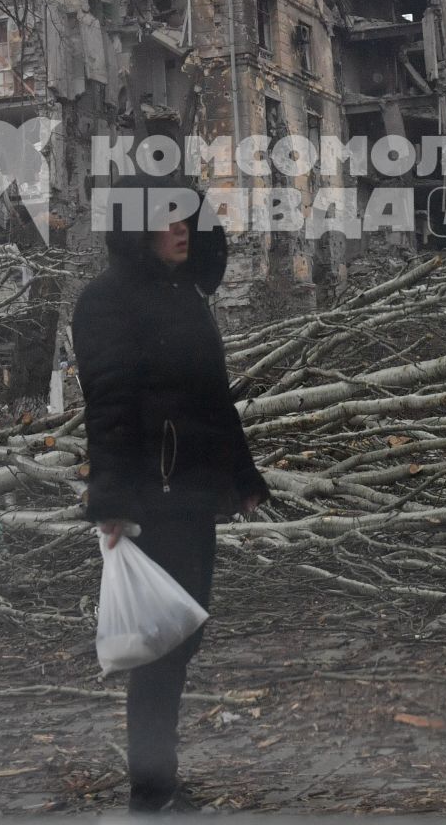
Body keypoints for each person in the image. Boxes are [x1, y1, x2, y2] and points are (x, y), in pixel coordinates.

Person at [73, 182, 271, 814]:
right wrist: (111, 502)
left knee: (182, 639)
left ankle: (159, 782)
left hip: (190, 492)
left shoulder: (185, 298)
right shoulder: (106, 302)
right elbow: (108, 406)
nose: (182, 230)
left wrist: (241, 480)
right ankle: (152, 793)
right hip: (149, 499)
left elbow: (214, 401)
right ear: (135, 229)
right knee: (158, 648)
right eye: (166, 220)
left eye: (188, 219)